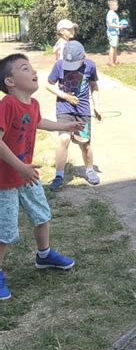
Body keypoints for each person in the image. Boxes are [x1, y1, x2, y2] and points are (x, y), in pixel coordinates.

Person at [0, 54, 83, 300]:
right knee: (5, 231)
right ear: (10, 81)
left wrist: (65, 126)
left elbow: (39, 122)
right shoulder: (6, 105)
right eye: (25, 68)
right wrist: (20, 166)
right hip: (5, 180)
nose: (33, 71)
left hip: (26, 175)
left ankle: (44, 255)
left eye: (32, 67)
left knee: (41, 214)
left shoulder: (32, 104)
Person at [46, 41, 102, 189]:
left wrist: (97, 106)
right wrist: (65, 96)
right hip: (64, 108)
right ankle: (59, 175)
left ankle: (89, 170)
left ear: (84, 57)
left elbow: (94, 86)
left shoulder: (90, 65)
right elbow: (49, 84)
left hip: (83, 110)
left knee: (84, 142)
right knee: (64, 139)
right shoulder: (59, 65)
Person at [106, 0, 126, 66]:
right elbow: (110, 24)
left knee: (115, 47)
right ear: (111, 6)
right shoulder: (110, 14)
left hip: (115, 33)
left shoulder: (114, 14)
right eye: (116, 5)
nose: (117, 6)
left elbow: (115, 23)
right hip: (112, 33)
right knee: (112, 47)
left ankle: (115, 61)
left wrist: (120, 24)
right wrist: (119, 27)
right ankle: (111, 62)